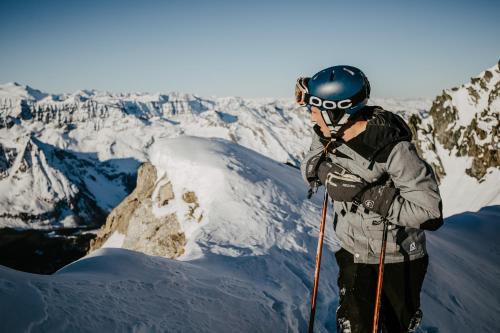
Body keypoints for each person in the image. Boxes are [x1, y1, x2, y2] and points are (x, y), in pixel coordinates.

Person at [297, 65, 443, 332]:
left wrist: (366, 194)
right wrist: (323, 170)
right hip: (352, 252)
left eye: (315, 110)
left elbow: (429, 212)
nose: (311, 117)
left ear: (336, 112)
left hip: (396, 261)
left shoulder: (393, 149)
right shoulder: (327, 136)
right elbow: (308, 163)